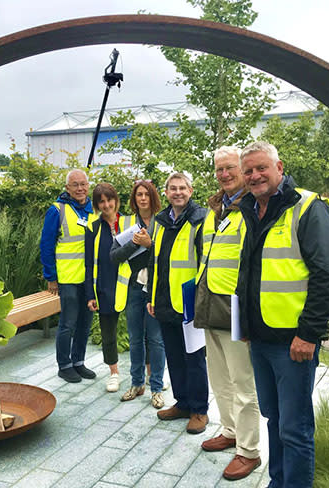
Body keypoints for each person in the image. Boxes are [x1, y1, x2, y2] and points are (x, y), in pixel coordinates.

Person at [236, 141, 329, 488]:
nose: (255, 176)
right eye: (248, 170)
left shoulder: (307, 207)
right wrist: (245, 326)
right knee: (273, 419)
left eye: (261, 168)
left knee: (295, 429)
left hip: (294, 343)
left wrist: (310, 334)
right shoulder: (249, 208)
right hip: (261, 339)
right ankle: (277, 482)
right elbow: (249, 272)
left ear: (279, 167)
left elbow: (326, 275)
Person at [194, 146, 261, 481]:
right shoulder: (215, 208)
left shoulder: (251, 207)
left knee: (242, 382)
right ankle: (230, 430)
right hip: (209, 303)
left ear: (242, 169)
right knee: (219, 379)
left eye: (230, 168)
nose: (224, 174)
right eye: (218, 169)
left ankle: (249, 451)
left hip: (235, 306)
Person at [147, 172, 209, 434]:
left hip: (190, 301)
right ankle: (182, 402)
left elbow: (206, 261)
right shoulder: (160, 221)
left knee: (194, 358)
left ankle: (199, 410)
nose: (177, 192)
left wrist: (201, 300)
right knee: (174, 355)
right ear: (167, 193)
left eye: (182, 188)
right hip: (164, 301)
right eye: (172, 188)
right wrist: (151, 297)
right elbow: (155, 261)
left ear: (191, 191)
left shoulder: (201, 219)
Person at [110, 179, 167, 409]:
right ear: (133, 199)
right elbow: (114, 256)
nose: (142, 198)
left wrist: (150, 243)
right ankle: (136, 384)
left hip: (155, 288)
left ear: (153, 197)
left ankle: (156, 388)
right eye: (138, 195)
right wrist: (135, 243)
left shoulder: (164, 221)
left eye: (146, 194)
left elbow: (168, 254)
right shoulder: (124, 222)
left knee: (156, 340)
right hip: (134, 288)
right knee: (135, 339)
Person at [40, 169, 96, 384]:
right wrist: (50, 276)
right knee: (68, 324)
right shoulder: (57, 210)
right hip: (68, 278)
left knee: (85, 323)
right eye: (75, 185)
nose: (80, 188)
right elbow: (46, 244)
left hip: (89, 279)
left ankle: (78, 362)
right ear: (67, 188)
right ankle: (64, 366)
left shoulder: (93, 210)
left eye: (83, 184)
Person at [85, 183, 129, 393]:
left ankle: (149, 373)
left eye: (109, 199)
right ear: (96, 205)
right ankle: (114, 373)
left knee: (142, 331)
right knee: (108, 332)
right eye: (101, 201)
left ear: (116, 200)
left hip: (131, 285)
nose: (106, 205)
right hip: (104, 285)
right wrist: (89, 294)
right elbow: (88, 263)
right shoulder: (92, 228)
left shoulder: (130, 222)